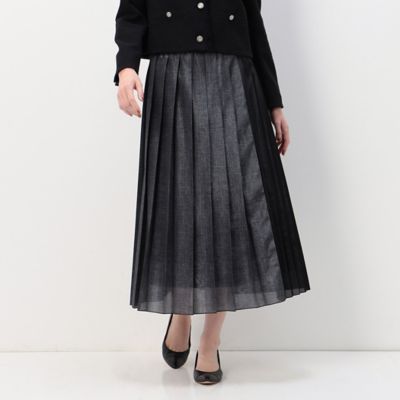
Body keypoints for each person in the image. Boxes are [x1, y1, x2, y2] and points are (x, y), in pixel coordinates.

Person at [113, 0, 311, 385]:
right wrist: (126, 68)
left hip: (234, 79)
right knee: (180, 207)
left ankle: (211, 339)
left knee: (229, 209)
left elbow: (253, 25)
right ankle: (182, 310)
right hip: (174, 79)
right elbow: (132, 10)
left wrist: (275, 103)